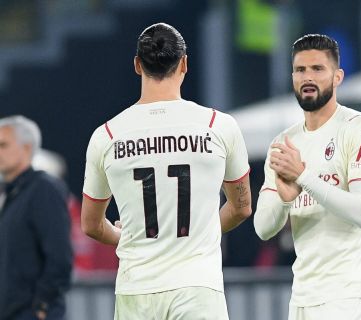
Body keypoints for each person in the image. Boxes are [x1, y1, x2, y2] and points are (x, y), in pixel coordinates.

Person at [81, 22, 252, 320]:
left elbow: (91, 225)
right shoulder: (218, 126)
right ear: (184, 63)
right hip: (197, 287)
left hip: (137, 290)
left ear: (137, 65)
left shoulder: (107, 135)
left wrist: (127, 235)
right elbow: (241, 207)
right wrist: (199, 232)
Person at [254, 34, 361, 320]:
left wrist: (303, 177)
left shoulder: (360, 129)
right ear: (292, 77)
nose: (308, 77)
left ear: (337, 77)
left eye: (318, 69)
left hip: (349, 292)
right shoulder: (284, 143)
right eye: (301, 70)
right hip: (303, 293)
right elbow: (264, 228)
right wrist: (284, 201)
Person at [0, 116, 72, 320]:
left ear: (26, 147)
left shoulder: (43, 189)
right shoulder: (12, 194)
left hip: (31, 314)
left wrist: (43, 305)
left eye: (3, 145)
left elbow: (60, 256)